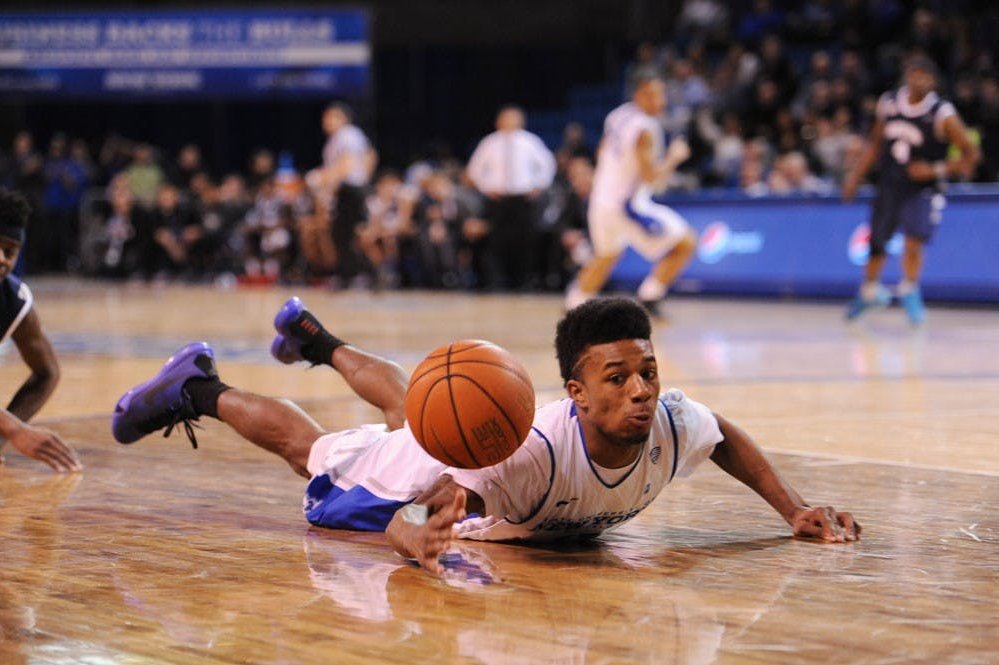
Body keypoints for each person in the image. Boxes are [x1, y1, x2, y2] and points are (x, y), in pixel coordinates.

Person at [112, 295, 858, 575]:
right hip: (427, 466)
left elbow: (723, 434)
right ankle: (198, 386)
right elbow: (429, 506)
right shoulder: (527, 455)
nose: (640, 390)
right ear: (575, 391)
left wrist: (791, 509)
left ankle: (318, 339)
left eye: (648, 371)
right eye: (618, 378)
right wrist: (412, 537)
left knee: (419, 401)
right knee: (315, 453)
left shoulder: (671, 420)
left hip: (471, 433)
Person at [842, 55, 980, 325]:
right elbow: (874, 143)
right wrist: (855, 176)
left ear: (933, 80)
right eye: (913, 72)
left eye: (924, 74)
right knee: (877, 242)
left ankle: (910, 289)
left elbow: (971, 154)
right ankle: (870, 292)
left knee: (913, 241)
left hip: (923, 187)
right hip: (890, 182)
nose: (917, 78)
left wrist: (935, 169)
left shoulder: (942, 113)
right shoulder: (890, 102)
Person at [565, 75, 697, 317]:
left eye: (660, 94)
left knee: (606, 256)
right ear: (638, 96)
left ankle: (573, 305)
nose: (659, 100)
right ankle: (649, 297)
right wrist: (674, 157)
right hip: (627, 206)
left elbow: (602, 149)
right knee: (686, 243)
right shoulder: (645, 129)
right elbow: (652, 179)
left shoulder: (617, 115)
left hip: (600, 200)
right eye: (652, 94)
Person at [0, 188, 80, 472]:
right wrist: (13, 428)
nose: (1, 258)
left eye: (9, 251)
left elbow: (48, 372)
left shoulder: (13, 302)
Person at [466, 105, 557, 291]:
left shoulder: (530, 142)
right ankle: (498, 281)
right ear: (498, 121)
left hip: (523, 199)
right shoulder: (489, 143)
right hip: (498, 200)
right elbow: (474, 170)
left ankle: (524, 281)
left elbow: (548, 164)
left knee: (525, 242)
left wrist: (538, 186)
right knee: (496, 241)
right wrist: (486, 188)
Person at [314, 102, 377, 286]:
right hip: (348, 189)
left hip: (351, 189)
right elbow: (371, 154)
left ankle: (363, 273)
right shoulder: (339, 138)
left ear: (341, 117)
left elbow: (346, 165)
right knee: (341, 234)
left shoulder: (347, 135)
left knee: (347, 234)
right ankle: (351, 274)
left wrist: (321, 179)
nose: (325, 122)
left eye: (329, 117)